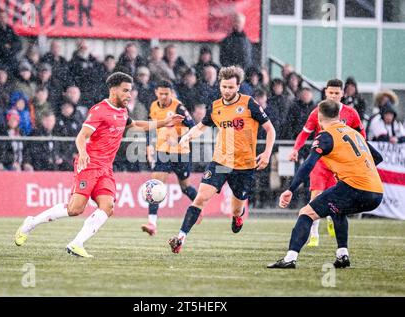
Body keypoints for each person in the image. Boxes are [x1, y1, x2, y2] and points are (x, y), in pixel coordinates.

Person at [14, 72, 184, 258]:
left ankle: (76, 243)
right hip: (89, 164)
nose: (129, 95)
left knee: (108, 206)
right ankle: (31, 223)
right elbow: (81, 136)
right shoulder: (99, 110)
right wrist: (84, 153)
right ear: (113, 90)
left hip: (106, 168)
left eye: (130, 91)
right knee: (75, 209)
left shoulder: (123, 111)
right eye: (126, 91)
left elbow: (137, 125)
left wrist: (165, 122)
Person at [167, 66, 276, 253]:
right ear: (220, 85)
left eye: (231, 87)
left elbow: (270, 129)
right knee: (200, 198)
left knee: (235, 210)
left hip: (244, 166)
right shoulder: (216, 106)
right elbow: (202, 126)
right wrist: (186, 137)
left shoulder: (249, 104)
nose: (227, 91)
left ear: (238, 87)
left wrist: (266, 153)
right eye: (224, 87)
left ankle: (237, 216)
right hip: (221, 162)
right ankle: (180, 239)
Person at [268, 100, 384, 269]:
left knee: (306, 213)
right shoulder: (353, 132)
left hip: (354, 187)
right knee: (337, 211)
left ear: (319, 116)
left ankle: (289, 259)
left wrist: (290, 189)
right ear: (338, 115)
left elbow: (308, 164)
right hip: (376, 192)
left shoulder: (325, 136)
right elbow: (378, 157)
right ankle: (342, 256)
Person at [289, 79, 366, 247]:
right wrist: (295, 149)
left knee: (336, 197)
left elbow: (361, 136)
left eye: (337, 93)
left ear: (343, 94)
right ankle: (314, 233)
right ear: (325, 92)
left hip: (340, 163)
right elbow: (305, 133)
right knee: (316, 194)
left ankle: (332, 218)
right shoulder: (318, 111)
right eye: (330, 93)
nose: (333, 96)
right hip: (321, 160)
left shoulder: (351, 113)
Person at [141, 80, 197, 236]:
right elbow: (150, 127)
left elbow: (193, 127)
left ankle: (199, 206)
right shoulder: (153, 106)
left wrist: (179, 139)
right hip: (163, 152)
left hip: (181, 154)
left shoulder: (178, 107)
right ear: (156, 92)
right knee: (155, 186)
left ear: (171, 93)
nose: (164, 96)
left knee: (185, 188)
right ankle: (152, 224)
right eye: (161, 93)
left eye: (167, 93)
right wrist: (148, 146)